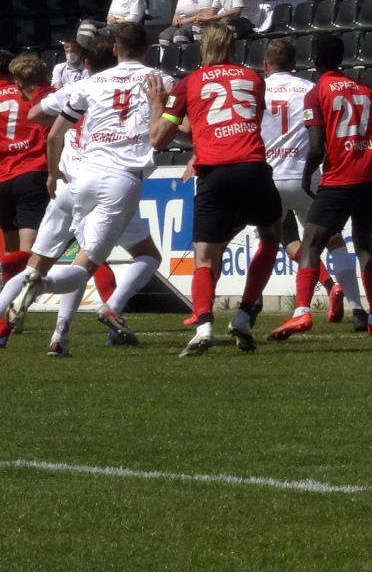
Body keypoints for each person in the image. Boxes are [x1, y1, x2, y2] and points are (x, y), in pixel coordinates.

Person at [1, 25, 164, 352]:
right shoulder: (146, 82)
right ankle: (78, 322)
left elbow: (41, 118)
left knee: (37, 262)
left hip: (69, 184)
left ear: (88, 62)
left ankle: (22, 330)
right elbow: (167, 128)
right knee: (90, 264)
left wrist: (52, 171)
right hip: (113, 181)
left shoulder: (79, 89)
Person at [146, 22, 285, 356]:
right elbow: (239, 122)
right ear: (233, 48)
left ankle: (204, 326)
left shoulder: (188, 84)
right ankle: (244, 314)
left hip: (214, 173)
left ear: (202, 48)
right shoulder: (254, 80)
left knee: (205, 256)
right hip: (252, 167)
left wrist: (158, 105)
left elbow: (158, 139)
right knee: (270, 236)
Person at [233, 38, 367, 332]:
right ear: (294, 64)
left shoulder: (257, 89)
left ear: (265, 65)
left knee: (267, 242)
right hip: (307, 176)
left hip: (270, 178)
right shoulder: (310, 89)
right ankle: (358, 310)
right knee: (333, 241)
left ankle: (249, 307)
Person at [266, 33, 372, 342]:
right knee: (364, 246)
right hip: (371, 175)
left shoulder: (317, 92)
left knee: (310, 243)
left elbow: (315, 148)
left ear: (315, 60)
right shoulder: (365, 89)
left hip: (338, 177)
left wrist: (309, 174)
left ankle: (302, 311)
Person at [0, 51, 54, 254]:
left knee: (11, 250)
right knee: (29, 250)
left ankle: (10, 276)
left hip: (2, 177)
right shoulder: (30, 94)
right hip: (32, 172)